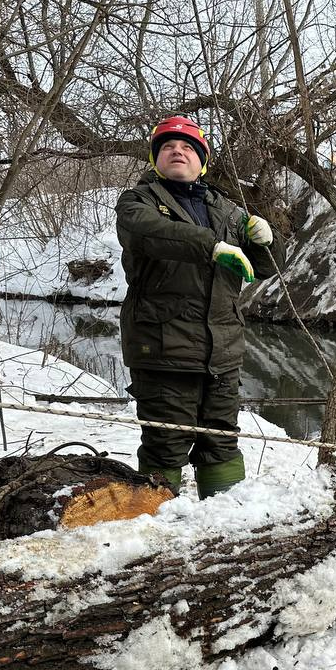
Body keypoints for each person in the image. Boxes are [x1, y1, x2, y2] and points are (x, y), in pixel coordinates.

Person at [115, 115, 280, 498]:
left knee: (220, 444)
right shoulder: (139, 201)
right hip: (162, 348)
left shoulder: (226, 209)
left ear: (201, 161)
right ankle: (154, 531)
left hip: (222, 351)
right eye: (168, 147)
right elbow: (150, 233)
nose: (178, 151)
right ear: (156, 159)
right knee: (166, 446)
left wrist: (266, 241)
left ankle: (221, 526)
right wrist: (211, 245)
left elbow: (268, 267)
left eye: (188, 147)